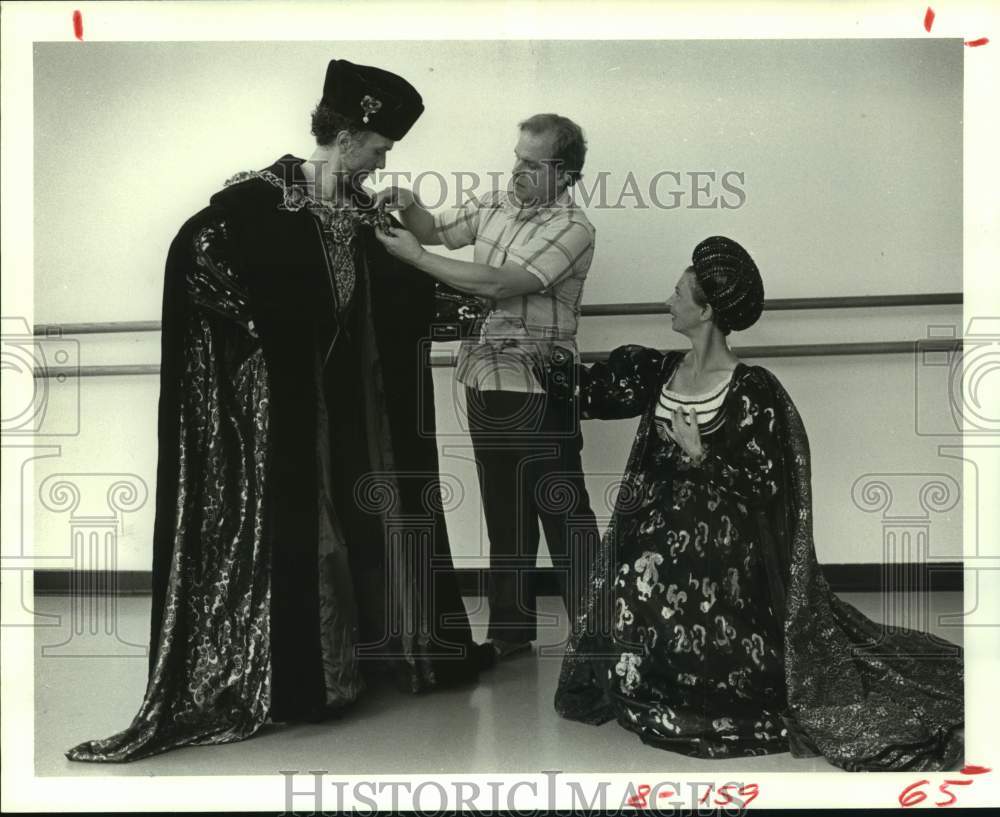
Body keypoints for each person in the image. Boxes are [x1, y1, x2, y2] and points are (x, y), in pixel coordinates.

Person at [66, 59, 490, 763]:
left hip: (350, 409)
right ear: (347, 138)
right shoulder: (255, 208)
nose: (383, 163)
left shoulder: (362, 210)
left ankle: (371, 652)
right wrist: (265, 352)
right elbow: (197, 264)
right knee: (308, 531)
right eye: (379, 148)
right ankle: (309, 678)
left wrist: (462, 294)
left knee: (367, 511)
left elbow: (396, 294)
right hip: (288, 416)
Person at [550, 236, 964, 771]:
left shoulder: (752, 391)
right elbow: (589, 393)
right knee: (630, 582)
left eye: (678, 294)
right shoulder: (658, 372)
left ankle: (696, 682)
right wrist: (538, 352)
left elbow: (765, 485)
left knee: (679, 598)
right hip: (654, 538)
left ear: (705, 312)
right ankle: (652, 683)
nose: (668, 302)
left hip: (726, 549)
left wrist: (702, 455)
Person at [374, 114, 601, 660]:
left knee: (564, 515)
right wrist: (410, 205)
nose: (517, 169)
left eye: (532, 163)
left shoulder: (573, 227)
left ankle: (601, 641)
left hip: (539, 385)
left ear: (564, 173)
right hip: (486, 378)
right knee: (504, 512)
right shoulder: (497, 202)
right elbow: (436, 230)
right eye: (517, 156)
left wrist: (418, 260)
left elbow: (501, 283)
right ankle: (510, 634)